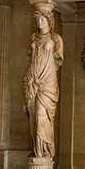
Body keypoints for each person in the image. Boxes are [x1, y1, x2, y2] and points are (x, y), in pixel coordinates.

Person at [23, 8, 64, 159]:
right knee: (34, 116)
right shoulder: (33, 38)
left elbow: (58, 60)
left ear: (49, 21)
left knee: (42, 114)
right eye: (37, 19)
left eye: (42, 19)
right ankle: (37, 151)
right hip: (32, 79)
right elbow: (31, 59)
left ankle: (45, 151)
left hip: (48, 81)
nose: (39, 22)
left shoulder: (56, 38)